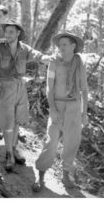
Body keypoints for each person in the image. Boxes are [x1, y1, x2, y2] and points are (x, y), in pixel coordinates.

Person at [0, 19, 51, 171]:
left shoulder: (24, 48)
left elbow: (36, 54)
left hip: (20, 88)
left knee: (17, 121)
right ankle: (8, 154)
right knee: (8, 123)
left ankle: (13, 148)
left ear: (18, 33)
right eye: (6, 32)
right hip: (5, 87)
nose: (8, 35)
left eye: (11, 32)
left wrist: (45, 59)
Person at [32, 32, 88, 192]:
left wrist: (84, 113)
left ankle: (66, 175)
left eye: (65, 44)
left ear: (73, 46)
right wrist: (53, 110)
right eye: (60, 44)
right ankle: (40, 175)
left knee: (72, 143)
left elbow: (84, 89)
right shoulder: (54, 62)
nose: (61, 47)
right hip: (58, 106)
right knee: (51, 142)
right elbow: (49, 88)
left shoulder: (79, 62)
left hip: (75, 107)